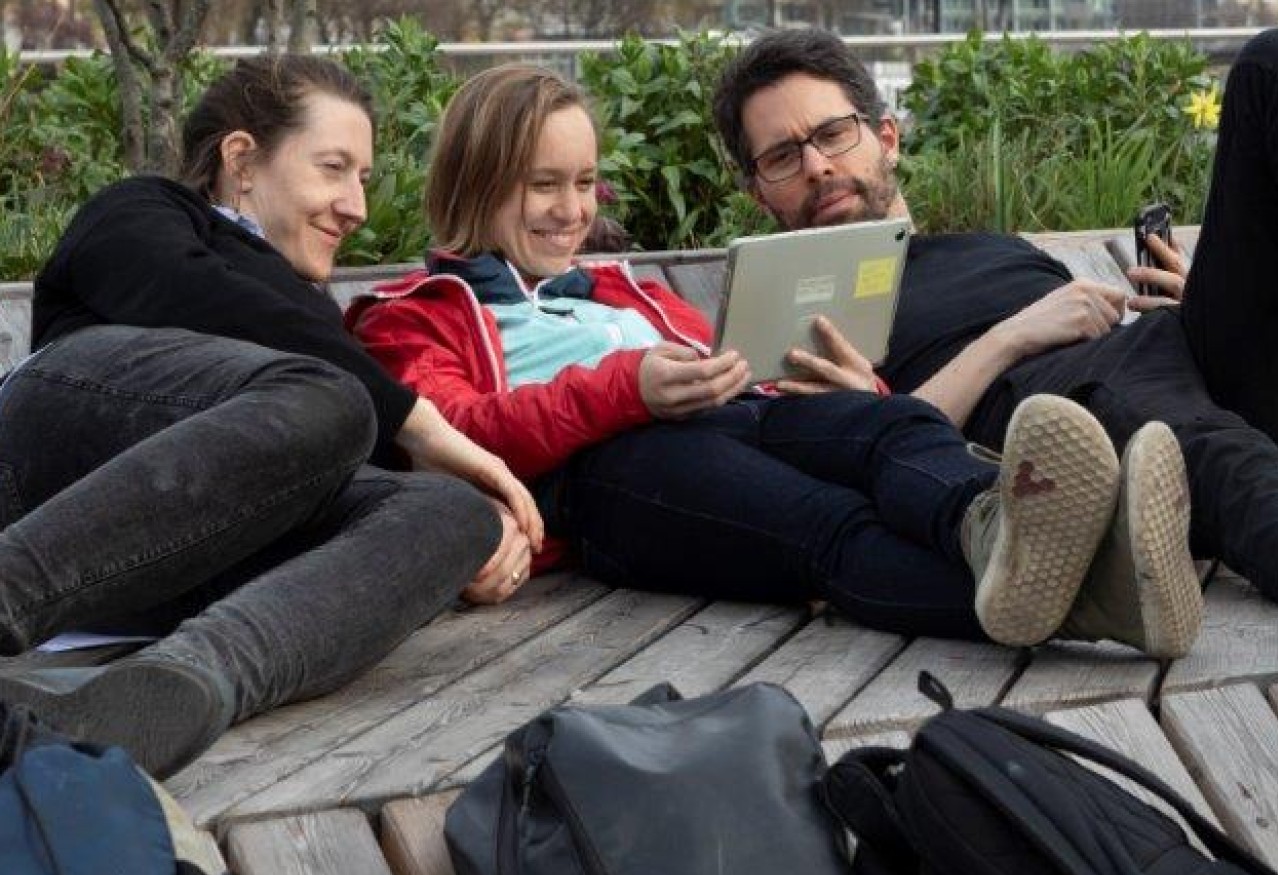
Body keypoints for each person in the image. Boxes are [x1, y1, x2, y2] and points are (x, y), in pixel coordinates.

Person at [349, 64, 1202, 655]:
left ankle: (991, 524)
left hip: (731, 424)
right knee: (824, 529)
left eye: (585, 183)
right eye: (544, 184)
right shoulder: (414, 319)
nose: (571, 210)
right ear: (474, 181)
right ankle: (1093, 589)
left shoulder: (624, 294)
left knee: (882, 423)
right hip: (608, 483)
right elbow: (449, 434)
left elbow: (736, 373)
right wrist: (629, 389)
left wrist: (828, 386)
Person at [709, 23, 1278, 632]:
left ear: (886, 137)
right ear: (758, 193)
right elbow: (884, 468)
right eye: (781, 157)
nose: (818, 166)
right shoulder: (800, 333)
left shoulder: (992, 248)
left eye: (833, 133)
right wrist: (1007, 338)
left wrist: (1208, 307)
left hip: (1174, 353)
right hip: (1073, 425)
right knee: (1220, 460)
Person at [0, 56, 541, 778]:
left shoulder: (311, 320)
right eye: (332, 168)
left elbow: (345, 478)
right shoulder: (145, 210)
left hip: (180, 566)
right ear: (242, 160)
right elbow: (183, 289)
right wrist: (419, 422)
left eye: (364, 179)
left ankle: (182, 685)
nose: (356, 206)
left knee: (449, 509)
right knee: (331, 401)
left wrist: (453, 554)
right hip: (60, 456)